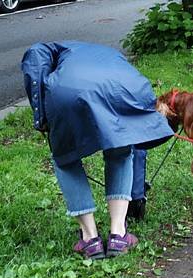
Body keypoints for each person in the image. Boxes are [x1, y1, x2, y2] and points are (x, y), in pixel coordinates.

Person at [21, 41, 173, 259]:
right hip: (125, 86)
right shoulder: (104, 52)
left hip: (68, 92)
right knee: (120, 148)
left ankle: (90, 239)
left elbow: (34, 60)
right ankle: (118, 235)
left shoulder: (48, 49)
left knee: (65, 160)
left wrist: (41, 117)